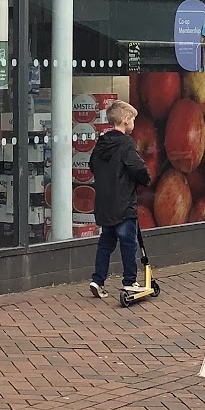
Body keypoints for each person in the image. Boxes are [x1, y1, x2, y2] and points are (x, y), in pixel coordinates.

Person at [87, 99, 151, 300]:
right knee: (128, 242)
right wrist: (144, 179)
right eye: (133, 120)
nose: (134, 124)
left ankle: (97, 280)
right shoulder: (126, 144)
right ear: (126, 120)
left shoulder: (101, 143)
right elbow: (137, 167)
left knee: (106, 242)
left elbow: (92, 165)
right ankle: (129, 281)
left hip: (105, 203)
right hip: (124, 203)